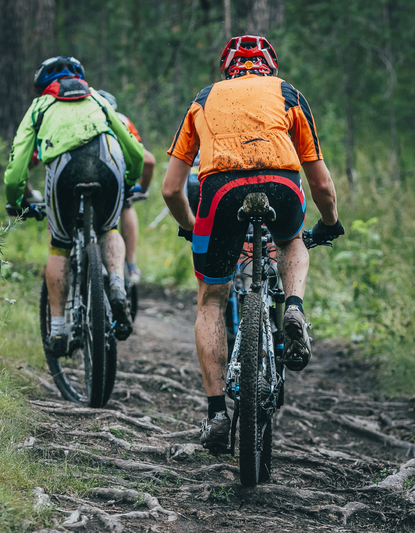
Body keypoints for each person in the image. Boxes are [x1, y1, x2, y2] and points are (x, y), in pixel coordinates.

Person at [161, 35, 344, 452]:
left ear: (227, 68)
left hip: (219, 192)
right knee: (292, 240)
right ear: (269, 66)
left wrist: (192, 227)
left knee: (211, 298)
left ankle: (216, 415)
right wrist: (330, 224)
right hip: (281, 185)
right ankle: (294, 308)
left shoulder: (203, 99)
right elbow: (320, 182)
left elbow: (172, 189)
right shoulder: (288, 93)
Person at [5, 56, 145, 355]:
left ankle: (58, 329)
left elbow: (18, 163)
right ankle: (118, 285)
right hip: (108, 164)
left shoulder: (40, 106)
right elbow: (132, 147)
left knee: (60, 244)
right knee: (109, 227)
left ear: (44, 86)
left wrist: (16, 200)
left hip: (64, 170)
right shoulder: (97, 98)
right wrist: (129, 179)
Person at [96, 90, 157, 284]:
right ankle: (131, 266)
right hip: (116, 180)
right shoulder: (122, 120)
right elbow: (147, 160)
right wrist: (141, 187)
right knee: (126, 203)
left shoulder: (79, 120)